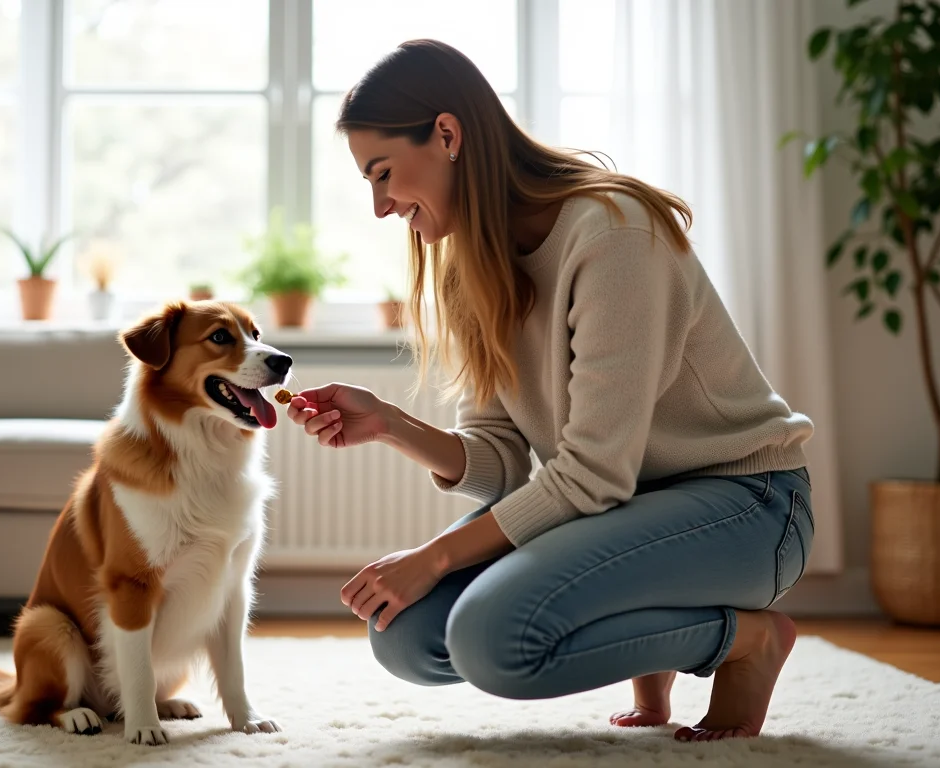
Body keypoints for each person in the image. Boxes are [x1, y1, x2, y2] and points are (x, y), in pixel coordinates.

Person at [283, 39, 815, 742]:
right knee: (406, 633)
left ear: (447, 135)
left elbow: (593, 473)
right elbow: (503, 462)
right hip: (624, 509)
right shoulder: (471, 264)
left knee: (491, 638)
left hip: (749, 505)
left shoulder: (613, 232)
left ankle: (749, 642)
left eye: (383, 174)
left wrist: (433, 557)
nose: (381, 206)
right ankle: (656, 651)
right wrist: (389, 424)